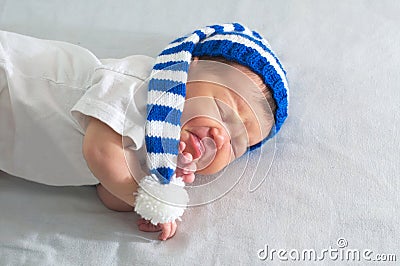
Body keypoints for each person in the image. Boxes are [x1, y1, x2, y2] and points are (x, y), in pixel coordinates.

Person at [0, 23, 289, 241]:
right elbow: (100, 152)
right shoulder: (139, 84)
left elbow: (105, 192)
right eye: (222, 109)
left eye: (237, 146)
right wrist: (148, 200)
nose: (222, 136)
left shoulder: (158, 157)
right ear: (188, 69)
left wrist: (146, 192)